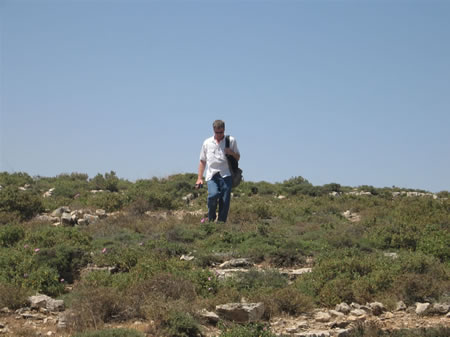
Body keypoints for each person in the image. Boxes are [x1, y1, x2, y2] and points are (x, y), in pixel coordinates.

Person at [196, 120, 240, 222]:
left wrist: (231, 152)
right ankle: (211, 218)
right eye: (216, 132)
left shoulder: (231, 140)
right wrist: (199, 178)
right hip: (212, 175)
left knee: (225, 201)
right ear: (213, 130)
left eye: (221, 132)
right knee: (213, 195)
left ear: (224, 130)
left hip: (226, 174)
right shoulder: (207, 142)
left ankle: (221, 224)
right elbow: (202, 161)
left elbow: (238, 157)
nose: (219, 135)